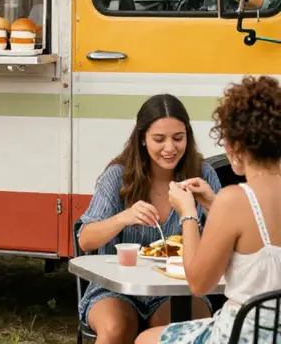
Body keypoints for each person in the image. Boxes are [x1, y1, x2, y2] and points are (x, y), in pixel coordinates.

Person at [137, 75, 281, 344]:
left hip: (241, 335)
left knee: (145, 339)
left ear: (234, 146)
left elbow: (198, 283)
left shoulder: (234, 199)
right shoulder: (233, 203)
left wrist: (188, 213)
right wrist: (213, 205)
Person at [77, 94, 222, 344]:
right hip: (117, 288)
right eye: (159, 139)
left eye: (178, 138)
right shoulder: (118, 176)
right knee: (116, 328)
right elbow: (85, 240)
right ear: (143, 138)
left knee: (181, 329)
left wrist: (212, 204)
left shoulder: (202, 175)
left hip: (180, 289)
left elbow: (229, 238)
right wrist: (123, 218)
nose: (170, 148)